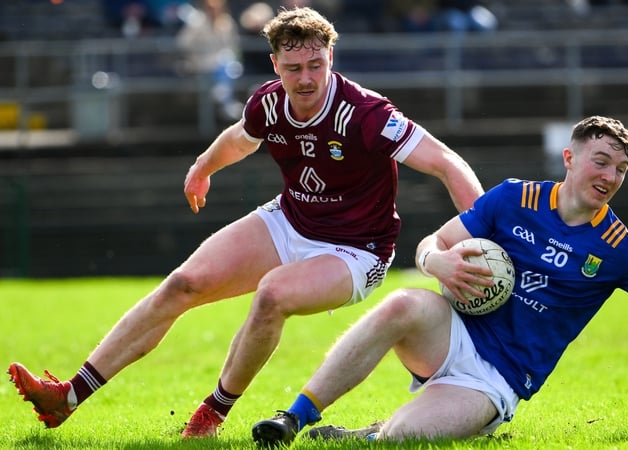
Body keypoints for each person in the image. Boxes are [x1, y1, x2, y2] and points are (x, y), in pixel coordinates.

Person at [7, 6, 483, 440]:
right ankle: (68, 397)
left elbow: (446, 162)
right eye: (293, 68)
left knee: (273, 294)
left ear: (330, 58)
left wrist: (483, 237)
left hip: (356, 250)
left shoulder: (366, 114)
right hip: (290, 220)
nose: (306, 79)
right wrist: (203, 167)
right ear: (274, 64)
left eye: (315, 65)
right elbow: (241, 138)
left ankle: (211, 414)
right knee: (182, 284)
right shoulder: (268, 103)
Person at [251, 115, 628, 448]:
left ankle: (365, 433)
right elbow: (431, 243)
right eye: (600, 161)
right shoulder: (513, 198)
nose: (609, 176)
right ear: (570, 159)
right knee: (401, 304)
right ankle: (294, 418)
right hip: (451, 332)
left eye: (620, 169)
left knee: (401, 439)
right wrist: (438, 263)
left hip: (495, 381)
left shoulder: (620, 249)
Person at [176, 0, 244, 120]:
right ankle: (226, 100)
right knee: (227, 65)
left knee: (230, 64)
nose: (214, 11)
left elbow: (234, 44)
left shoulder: (226, 22)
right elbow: (183, 43)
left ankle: (222, 93)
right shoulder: (197, 22)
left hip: (224, 63)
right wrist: (199, 48)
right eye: (211, 8)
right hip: (201, 62)